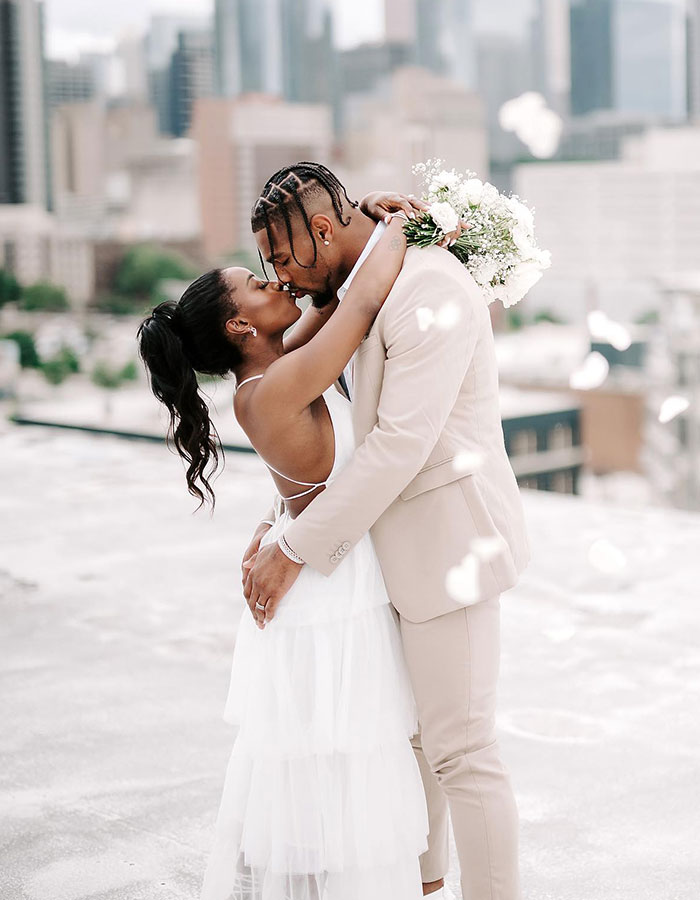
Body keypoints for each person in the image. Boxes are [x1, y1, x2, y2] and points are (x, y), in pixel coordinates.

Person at [244, 162, 530, 900]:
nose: (276, 277)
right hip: (381, 556)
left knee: (462, 753)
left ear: (322, 229)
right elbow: (336, 431)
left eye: (280, 257)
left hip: (447, 546)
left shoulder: (427, 286)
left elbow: (399, 444)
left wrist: (295, 553)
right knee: (408, 746)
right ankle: (424, 888)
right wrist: (282, 519)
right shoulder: (354, 289)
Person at [137, 201, 433, 900]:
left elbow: (335, 298)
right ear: (240, 325)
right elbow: (359, 301)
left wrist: (361, 219)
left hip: (331, 574)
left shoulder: (282, 366)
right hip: (329, 598)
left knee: (340, 778)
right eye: (258, 284)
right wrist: (404, 223)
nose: (276, 281)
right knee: (329, 788)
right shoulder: (269, 388)